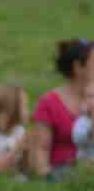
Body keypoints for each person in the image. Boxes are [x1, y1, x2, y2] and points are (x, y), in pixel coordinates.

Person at [27, 39, 92, 181]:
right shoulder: (49, 103)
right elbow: (40, 150)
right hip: (63, 173)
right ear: (78, 67)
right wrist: (48, 179)